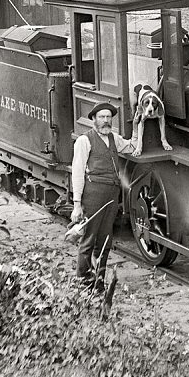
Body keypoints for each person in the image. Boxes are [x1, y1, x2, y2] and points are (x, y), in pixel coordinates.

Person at [70, 102, 135, 287]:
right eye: (101, 117)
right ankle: (82, 281)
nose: (106, 121)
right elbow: (77, 172)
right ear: (93, 119)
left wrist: (139, 124)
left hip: (112, 195)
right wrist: (77, 204)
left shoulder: (114, 138)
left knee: (105, 240)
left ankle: (98, 280)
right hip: (93, 193)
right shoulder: (84, 141)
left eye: (108, 117)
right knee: (89, 238)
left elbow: (131, 147)